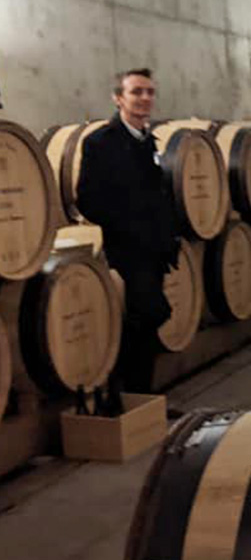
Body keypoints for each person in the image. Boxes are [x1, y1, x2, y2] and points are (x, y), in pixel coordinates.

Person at [76, 68, 181, 398]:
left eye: (150, 92)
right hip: (129, 249)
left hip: (154, 248)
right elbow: (88, 201)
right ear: (118, 98)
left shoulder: (149, 140)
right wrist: (130, 225)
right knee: (148, 314)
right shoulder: (101, 143)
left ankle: (142, 398)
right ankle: (127, 396)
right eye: (137, 92)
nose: (145, 98)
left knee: (147, 323)